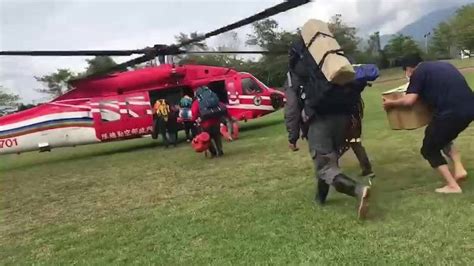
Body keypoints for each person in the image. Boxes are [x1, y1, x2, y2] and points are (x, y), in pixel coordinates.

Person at [285, 37, 371, 219]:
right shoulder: (329, 62)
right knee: (328, 160)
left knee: (325, 166)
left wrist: (292, 137)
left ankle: (358, 190)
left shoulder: (298, 72)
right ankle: (320, 198)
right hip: (344, 117)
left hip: (319, 120)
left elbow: (292, 107)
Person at [383, 54, 474, 193]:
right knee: (443, 139)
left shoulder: (418, 73)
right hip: (470, 109)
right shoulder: (443, 65)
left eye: (406, 72)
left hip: (450, 113)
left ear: (408, 69)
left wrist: (391, 103)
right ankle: (459, 168)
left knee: (428, 149)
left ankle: (452, 186)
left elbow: (409, 101)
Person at [191, 86, 224, 157]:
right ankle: (220, 150)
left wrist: (195, 119)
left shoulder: (197, 102)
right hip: (216, 121)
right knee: (217, 137)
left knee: (206, 138)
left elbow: (194, 114)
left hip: (205, 124)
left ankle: (213, 152)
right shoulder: (212, 99)